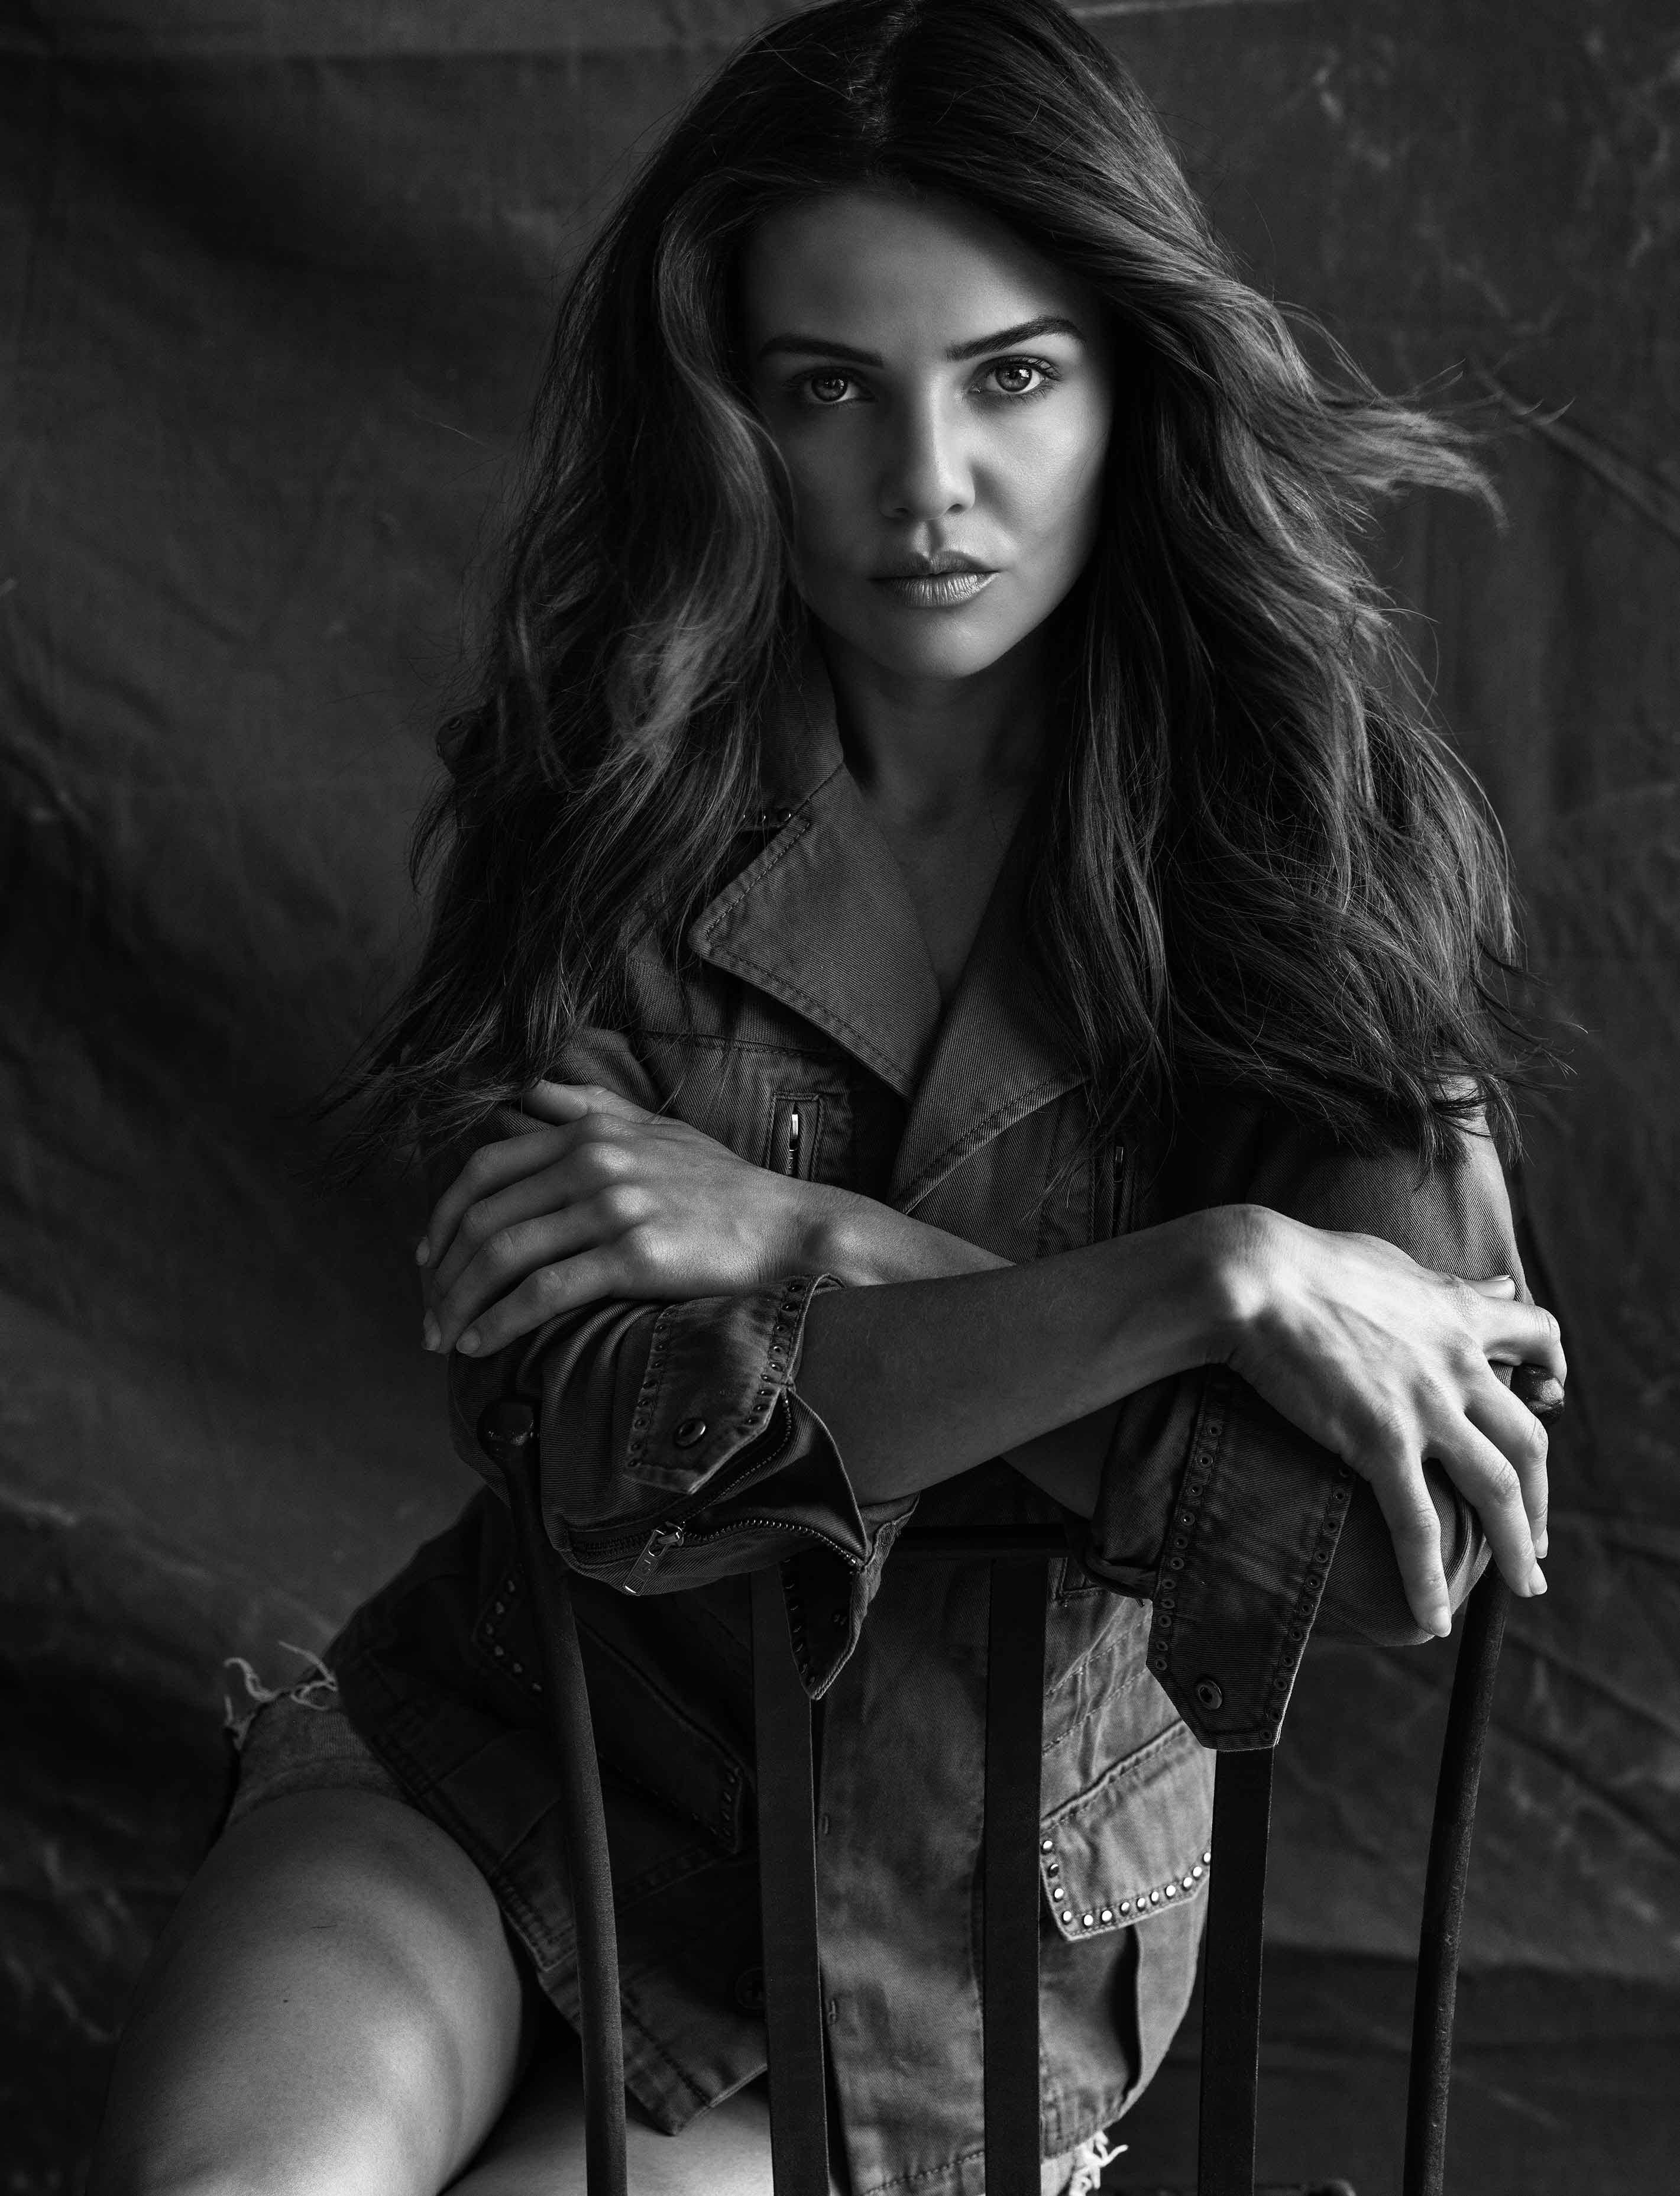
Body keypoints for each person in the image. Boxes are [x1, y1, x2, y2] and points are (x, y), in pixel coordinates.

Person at [88, 4, 1565, 2193]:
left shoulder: (1310, 853)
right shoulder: (621, 789)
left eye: (1011, 376)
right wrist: (1201, 1304)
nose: (926, 484)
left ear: (1131, 376)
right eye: (828, 388)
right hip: (514, 1758)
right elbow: (607, 1442)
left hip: (942, 1952)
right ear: (730, 409)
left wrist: (813, 1236)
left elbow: (1362, 1537)